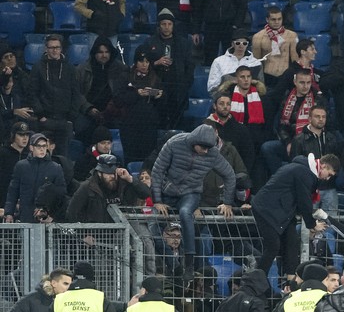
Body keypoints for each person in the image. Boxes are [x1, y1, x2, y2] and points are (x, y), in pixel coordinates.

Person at [151, 124, 236, 279]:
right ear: (194, 142)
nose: (205, 151)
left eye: (208, 148)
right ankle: (171, 266)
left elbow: (230, 175)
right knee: (154, 224)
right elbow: (157, 170)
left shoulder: (213, 154)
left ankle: (189, 265)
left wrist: (227, 202)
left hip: (191, 193)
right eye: (203, 147)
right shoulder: (174, 143)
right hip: (167, 192)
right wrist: (157, 200)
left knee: (185, 213)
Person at [251, 153, 338, 275]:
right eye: (329, 175)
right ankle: (255, 280)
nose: (327, 179)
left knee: (291, 244)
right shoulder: (304, 173)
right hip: (266, 210)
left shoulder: (304, 170)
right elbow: (304, 200)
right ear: (323, 166)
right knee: (273, 247)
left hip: (281, 211)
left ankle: (290, 282)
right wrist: (312, 224)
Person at [30, 35, 99, 157]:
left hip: (64, 120)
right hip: (45, 119)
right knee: (42, 155)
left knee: (63, 157)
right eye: (51, 47)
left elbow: (76, 94)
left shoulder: (69, 68)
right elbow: (33, 93)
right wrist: (40, 115)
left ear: (61, 49)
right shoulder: (38, 67)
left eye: (57, 47)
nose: (54, 50)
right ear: (46, 48)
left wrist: (70, 118)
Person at [108, 46, 163, 163]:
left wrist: (160, 97)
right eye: (141, 61)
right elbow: (118, 99)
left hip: (149, 126)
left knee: (148, 160)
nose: (144, 64)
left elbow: (162, 106)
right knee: (131, 158)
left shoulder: (155, 78)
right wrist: (136, 93)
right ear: (135, 62)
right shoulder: (125, 76)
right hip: (129, 125)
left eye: (147, 62)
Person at [144, 8, 196, 129]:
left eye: (169, 24)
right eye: (163, 24)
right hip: (157, 89)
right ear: (159, 25)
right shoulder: (149, 42)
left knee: (177, 126)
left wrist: (185, 85)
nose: (166, 27)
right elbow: (141, 65)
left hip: (178, 90)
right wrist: (156, 63)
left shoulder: (184, 43)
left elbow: (190, 66)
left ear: (173, 25)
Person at [67, 154, 150, 223]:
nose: (113, 176)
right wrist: (84, 234)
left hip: (125, 229)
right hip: (98, 234)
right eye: (108, 174)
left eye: (114, 173)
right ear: (100, 173)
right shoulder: (88, 187)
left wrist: (130, 178)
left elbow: (145, 194)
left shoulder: (124, 182)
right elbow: (72, 212)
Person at [290, 103, 341, 213]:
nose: (321, 119)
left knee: (332, 224)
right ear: (309, 119)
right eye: (317, 116)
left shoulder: (332, 138)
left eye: (323, 117)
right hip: (309, 190)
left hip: (329, 187)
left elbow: (336, 163)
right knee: (308, 225)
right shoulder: (299, 140)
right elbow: (294, 166)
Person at [4, 133, 65, 223]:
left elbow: (61, 194)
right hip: (25, 216)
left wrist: (52, 216)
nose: (42, 149)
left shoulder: (56, 168)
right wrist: (9, 213)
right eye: (38, 146)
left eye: (44, 146)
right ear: (31, 148)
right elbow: (13, 192)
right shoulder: (21, 166)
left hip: (45, 219)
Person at [74, 37, 125, 132]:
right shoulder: (82, 69)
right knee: (81, 128)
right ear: (95, 53)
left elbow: (123, 92)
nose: (104, 55)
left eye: (107, 52)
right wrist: (88, 108)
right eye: (100, 52)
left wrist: (111, 108)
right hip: (87, 111)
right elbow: (76, 93)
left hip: (112, 112)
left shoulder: (120, 69)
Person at [205, 93, 257, 172]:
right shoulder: (205, 127)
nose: (225, 107)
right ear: (215, 106)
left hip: (235, 173)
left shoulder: (241, 129)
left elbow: (248, 155)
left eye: (228, 104)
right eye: (221, 104)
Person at [252, 6, 299, 88]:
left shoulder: (291, 35)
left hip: (285, 76)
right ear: (267, 19)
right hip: (267, 77)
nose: (277, 22)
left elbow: (295, 61)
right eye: (273, 19)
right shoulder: (258, 37)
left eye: (279, 19)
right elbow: (257, 62)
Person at [0, 122, 32, 213]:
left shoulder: (30, 156)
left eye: (27, 134)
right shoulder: (2, 153)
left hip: (24, 201)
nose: (25, 138)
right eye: (21, 134)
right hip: (3, 199)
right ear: (13, 135)